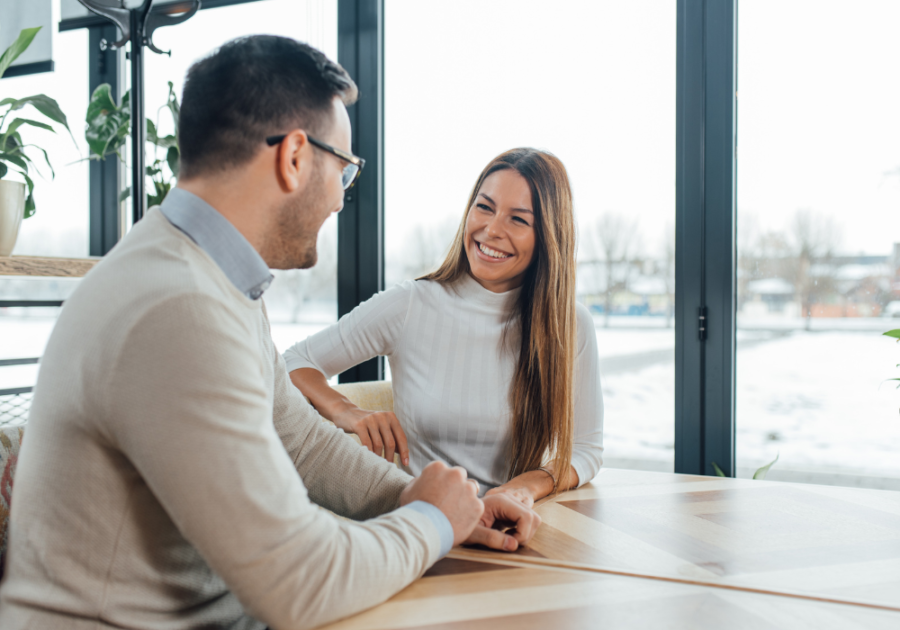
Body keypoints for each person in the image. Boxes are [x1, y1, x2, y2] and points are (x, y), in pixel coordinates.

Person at [0, 36, 541, 630]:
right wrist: (434, 522)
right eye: (345, 169)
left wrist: (412, 497)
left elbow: (301, 441)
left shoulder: (209, 277)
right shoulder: (175, 306)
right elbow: (299, 581)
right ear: (294, 158)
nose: (340, 197)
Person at [286, 148, 603, 506]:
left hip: (512, 523)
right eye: (484, 207)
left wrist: (523, 488)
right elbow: (293, 361)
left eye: (518, 219)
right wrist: (346, 410)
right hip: (419, 524)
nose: (492, 229)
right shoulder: (411, 304)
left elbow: (586, 449)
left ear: (547, 235)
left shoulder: (571, 325)